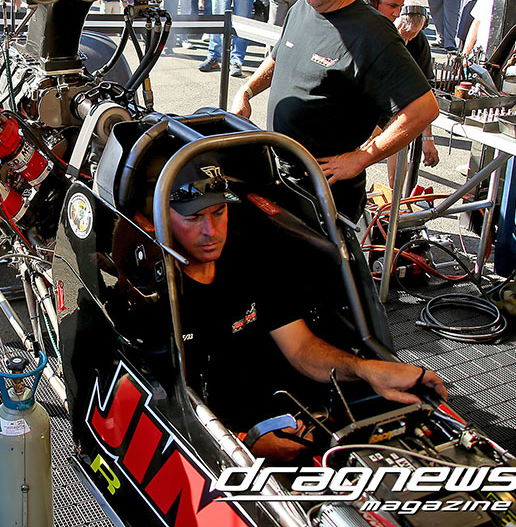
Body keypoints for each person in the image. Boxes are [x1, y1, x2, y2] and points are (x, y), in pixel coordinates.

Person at [169, 158, 448, 461]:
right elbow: (163, 403)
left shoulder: (248, 260)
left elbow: (301, 347)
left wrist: (368, 370)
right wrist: (241, 442)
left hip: (283, 415)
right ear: (164, 218)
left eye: (218, 212)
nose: (211, 231)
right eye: (194, 217)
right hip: (210, 440)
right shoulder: (157, 294)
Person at [229, 0, 439, 222]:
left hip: (326, 191)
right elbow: (279, 57)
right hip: (278, 173)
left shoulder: (373, 32)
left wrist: (362, 158)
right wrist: (247, 90)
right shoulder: (301, 8)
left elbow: (424, 108)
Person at [357, 0, 440, 184]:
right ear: (371, 1)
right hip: (360, 109)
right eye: (392, 6)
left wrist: (427, 137)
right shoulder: (362, 33)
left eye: (400, 7)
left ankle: (395, 195)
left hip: (392, 108)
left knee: (396, 143)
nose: (396, 13)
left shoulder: (418, 43)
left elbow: (424, 94)